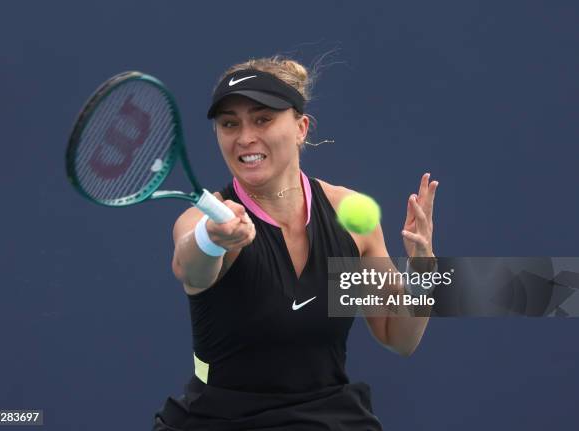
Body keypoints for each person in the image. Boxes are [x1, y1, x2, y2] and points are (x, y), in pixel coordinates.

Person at [153, 56, 439, 430]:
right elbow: (189, 266)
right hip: (219, 421)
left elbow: (396, 336)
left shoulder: (349, 217)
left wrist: (423, 271)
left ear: (302, 127)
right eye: (229, 124)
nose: (244, 137)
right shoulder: (205, 221)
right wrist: (213, 238)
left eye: (262, 119)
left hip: (326, 417)